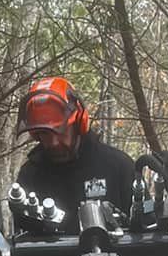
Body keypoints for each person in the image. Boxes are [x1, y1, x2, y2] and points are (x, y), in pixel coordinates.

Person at [14, 76, 137, 233]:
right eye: (45, 134)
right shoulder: (30, 176)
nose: (53, 143)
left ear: (78, 123)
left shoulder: (118, 166)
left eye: (60, 132)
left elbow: (144, 238)